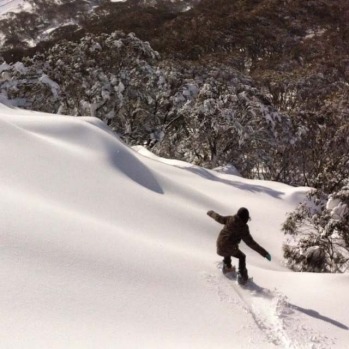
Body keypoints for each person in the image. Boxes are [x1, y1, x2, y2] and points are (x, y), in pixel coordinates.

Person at [207, 207, 271, 284]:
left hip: (219, 245)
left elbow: (219, 218)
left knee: (228, 245)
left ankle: (227, 266)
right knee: (242, 256)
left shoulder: (230, 219)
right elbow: (251, 243)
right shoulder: (243, 228)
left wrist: (211, 213)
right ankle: (242, 276)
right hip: (228, 248)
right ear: (245, 218)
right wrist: (264, 253)